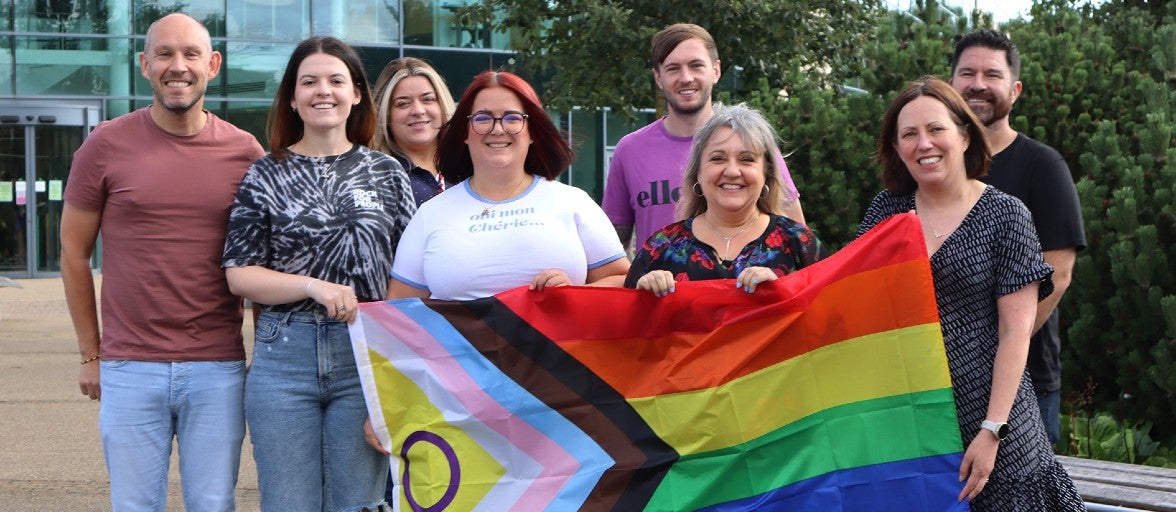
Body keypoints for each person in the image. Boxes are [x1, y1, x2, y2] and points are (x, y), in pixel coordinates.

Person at [60, 13, 265, 511]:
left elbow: (261, 263)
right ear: (144, 64)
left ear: (212, 64)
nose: (179, 66)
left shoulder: (246, 152)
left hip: (217, 366)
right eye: (165, 54)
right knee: (134, 505)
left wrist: (262, 363)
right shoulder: (105, 145)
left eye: (191, 54)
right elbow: (72, 253)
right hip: (130, 367)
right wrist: (92, 354)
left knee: (214, 504)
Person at [858, 77, 1083, 510]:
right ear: (897, 148)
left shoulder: (1006, 215)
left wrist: (992, 429)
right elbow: (849, 299)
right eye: (909, 134)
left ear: (964, 135)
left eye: (936, 129)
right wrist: (774, 287)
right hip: (914, 422)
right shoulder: (886, 212)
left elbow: (1015, 333)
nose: (924, 144)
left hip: (997, 425)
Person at [221, 36, 414, 511]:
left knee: (359, 503)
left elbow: (411, 275)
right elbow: (239, 274)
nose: (322, 91)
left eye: (335, 80)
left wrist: (397, 369)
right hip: (285, 354)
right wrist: (312, 286)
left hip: (365, 353)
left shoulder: (388, 173)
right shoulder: (266, 173)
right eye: (309, 81)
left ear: (355, 95)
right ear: (292, 97)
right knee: (288, 503)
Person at [384, 69, 630, 303]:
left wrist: (575, 294)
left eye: (513, 118)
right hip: (463, 349)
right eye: (483, 118)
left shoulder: (573, 202)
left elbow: (625, 282)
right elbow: (397, 312)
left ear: (532, 131)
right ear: (464, 133)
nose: (498, 129)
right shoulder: (431, 213)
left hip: (556, 348)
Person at [949, 30, 1085, 445]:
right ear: (950, 85)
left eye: (992, 74)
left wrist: (996, 355)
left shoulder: (1042, 166)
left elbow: (1058, 274)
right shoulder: (929, 167)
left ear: (1015, 89)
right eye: (966, 73)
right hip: (937, 384)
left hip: (1024, 384)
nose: (978, 84)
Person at [602, 23, 805, 250]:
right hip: (657, 283)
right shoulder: (630, 150)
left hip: (741, 284)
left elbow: (798, 240)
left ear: (716, 71)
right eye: (673, 69)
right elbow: (612, 252)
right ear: (658, 78)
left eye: (696, 65)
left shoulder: (751, 143)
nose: (686, 77)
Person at [625, 104, 825, 294]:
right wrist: (643, 298)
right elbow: (624, 322)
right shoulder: (662, 248)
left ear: (767, 173)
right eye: (718, 158)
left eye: (746, 159)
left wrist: (787, 292)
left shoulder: (798, 243)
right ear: (698, 173)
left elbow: (832, 316)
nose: (731, 171)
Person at [371, 56, 456, 206]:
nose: (418, 111)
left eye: (428, 99)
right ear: (385, 113)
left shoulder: (469, 166)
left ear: (442, 104)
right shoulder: (374, 176)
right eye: (403, 103)